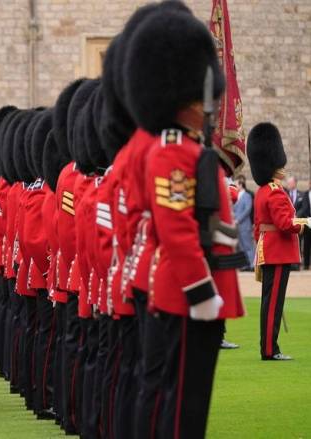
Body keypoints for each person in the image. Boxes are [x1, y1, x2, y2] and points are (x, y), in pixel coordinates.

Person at [124, 9, 245, 437]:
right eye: (200, 96)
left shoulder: (190, 148)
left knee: (190, 399)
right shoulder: (173, 151)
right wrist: (201, 290)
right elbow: (177, 229)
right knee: (182, 405)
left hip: (198, 283)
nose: (207, 104)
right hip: (186, 291)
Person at [248, 122, 303, 361]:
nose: (283, 169)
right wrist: (306, 223)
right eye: (280, 165)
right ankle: (270, 349)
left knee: (269, 302)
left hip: (268, 249)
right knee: (272, 305)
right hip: (278, 251)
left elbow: (257, 227)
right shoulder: (275, 192)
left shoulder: (263, 191)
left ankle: (269, 347)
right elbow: (286, 224)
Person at [234, 178, 255, 270]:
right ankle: (245, 264)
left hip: (245, 224)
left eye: (236, 184)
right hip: (237, 225)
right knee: (241, 246)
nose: (235, 186)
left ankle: (252, 264)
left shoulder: (247, 196)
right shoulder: (236, 196)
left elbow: (247, 209)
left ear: (241, 185)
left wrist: (238, 219)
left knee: (248, 245)